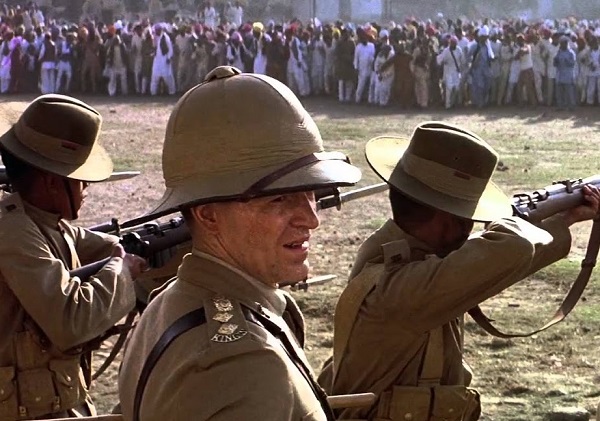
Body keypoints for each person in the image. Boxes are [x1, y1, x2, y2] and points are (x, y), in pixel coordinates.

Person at [118, 66, 361, 421]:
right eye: (280, 199)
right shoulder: (246, 364)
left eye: (311, 192)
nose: (311, 219)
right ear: (208, 215)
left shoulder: (168, 303)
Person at [321, 121, 600, 420]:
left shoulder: (394, 251)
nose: (472, 226)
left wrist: (566, 217)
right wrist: (513, 214)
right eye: (471, 216)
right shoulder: (401, 288)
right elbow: (512, 249)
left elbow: (498, 263)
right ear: (449, 221)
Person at [0, 94, 146, 421]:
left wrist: (141, 245)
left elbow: (93, 243)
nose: (86, 189)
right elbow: (70, 321)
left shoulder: (38, 220)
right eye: (81, 181)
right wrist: (121, 271)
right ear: (53, 183)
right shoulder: (12, 231)